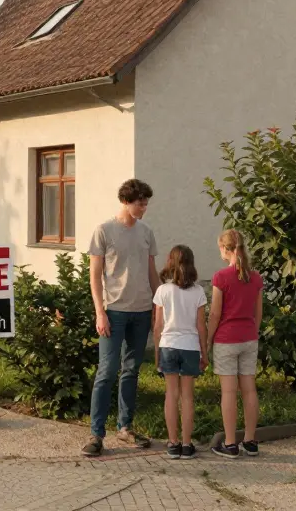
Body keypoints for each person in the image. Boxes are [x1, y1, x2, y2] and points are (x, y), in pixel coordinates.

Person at [81, 179, 160, 458]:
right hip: (113, 311)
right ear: (127, 201)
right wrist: (99, 312)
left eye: (147, 202)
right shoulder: (104, 231)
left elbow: (152, 272)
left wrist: (159, 305)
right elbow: (94, 275)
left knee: (132, 371)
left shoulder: (146, 232)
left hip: (141, 310)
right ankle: (96, 434)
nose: (144, 207)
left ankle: (125, 428)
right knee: (106, 371)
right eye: (141, 202)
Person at [207, 228, 264, 459]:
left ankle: (230, 444)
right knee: (249, 389)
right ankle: (250, 441)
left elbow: (214, 314)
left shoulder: (221, 277)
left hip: (226, 340)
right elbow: (258, 313)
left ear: (225, 249)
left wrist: (208, 340)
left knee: (228, 392)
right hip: (249, 337)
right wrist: (253, 331)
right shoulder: (256, 277)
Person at [152, 245, 209, 459]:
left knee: (171, 395)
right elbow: (201, 326)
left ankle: (172, 443)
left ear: (170, 263)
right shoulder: (198, 292)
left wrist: (157, 355)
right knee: (187, 397)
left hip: (168, 345)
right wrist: (205, 353)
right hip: (190, 346)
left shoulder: (162, 291)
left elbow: (157, 327)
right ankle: (186, 444)